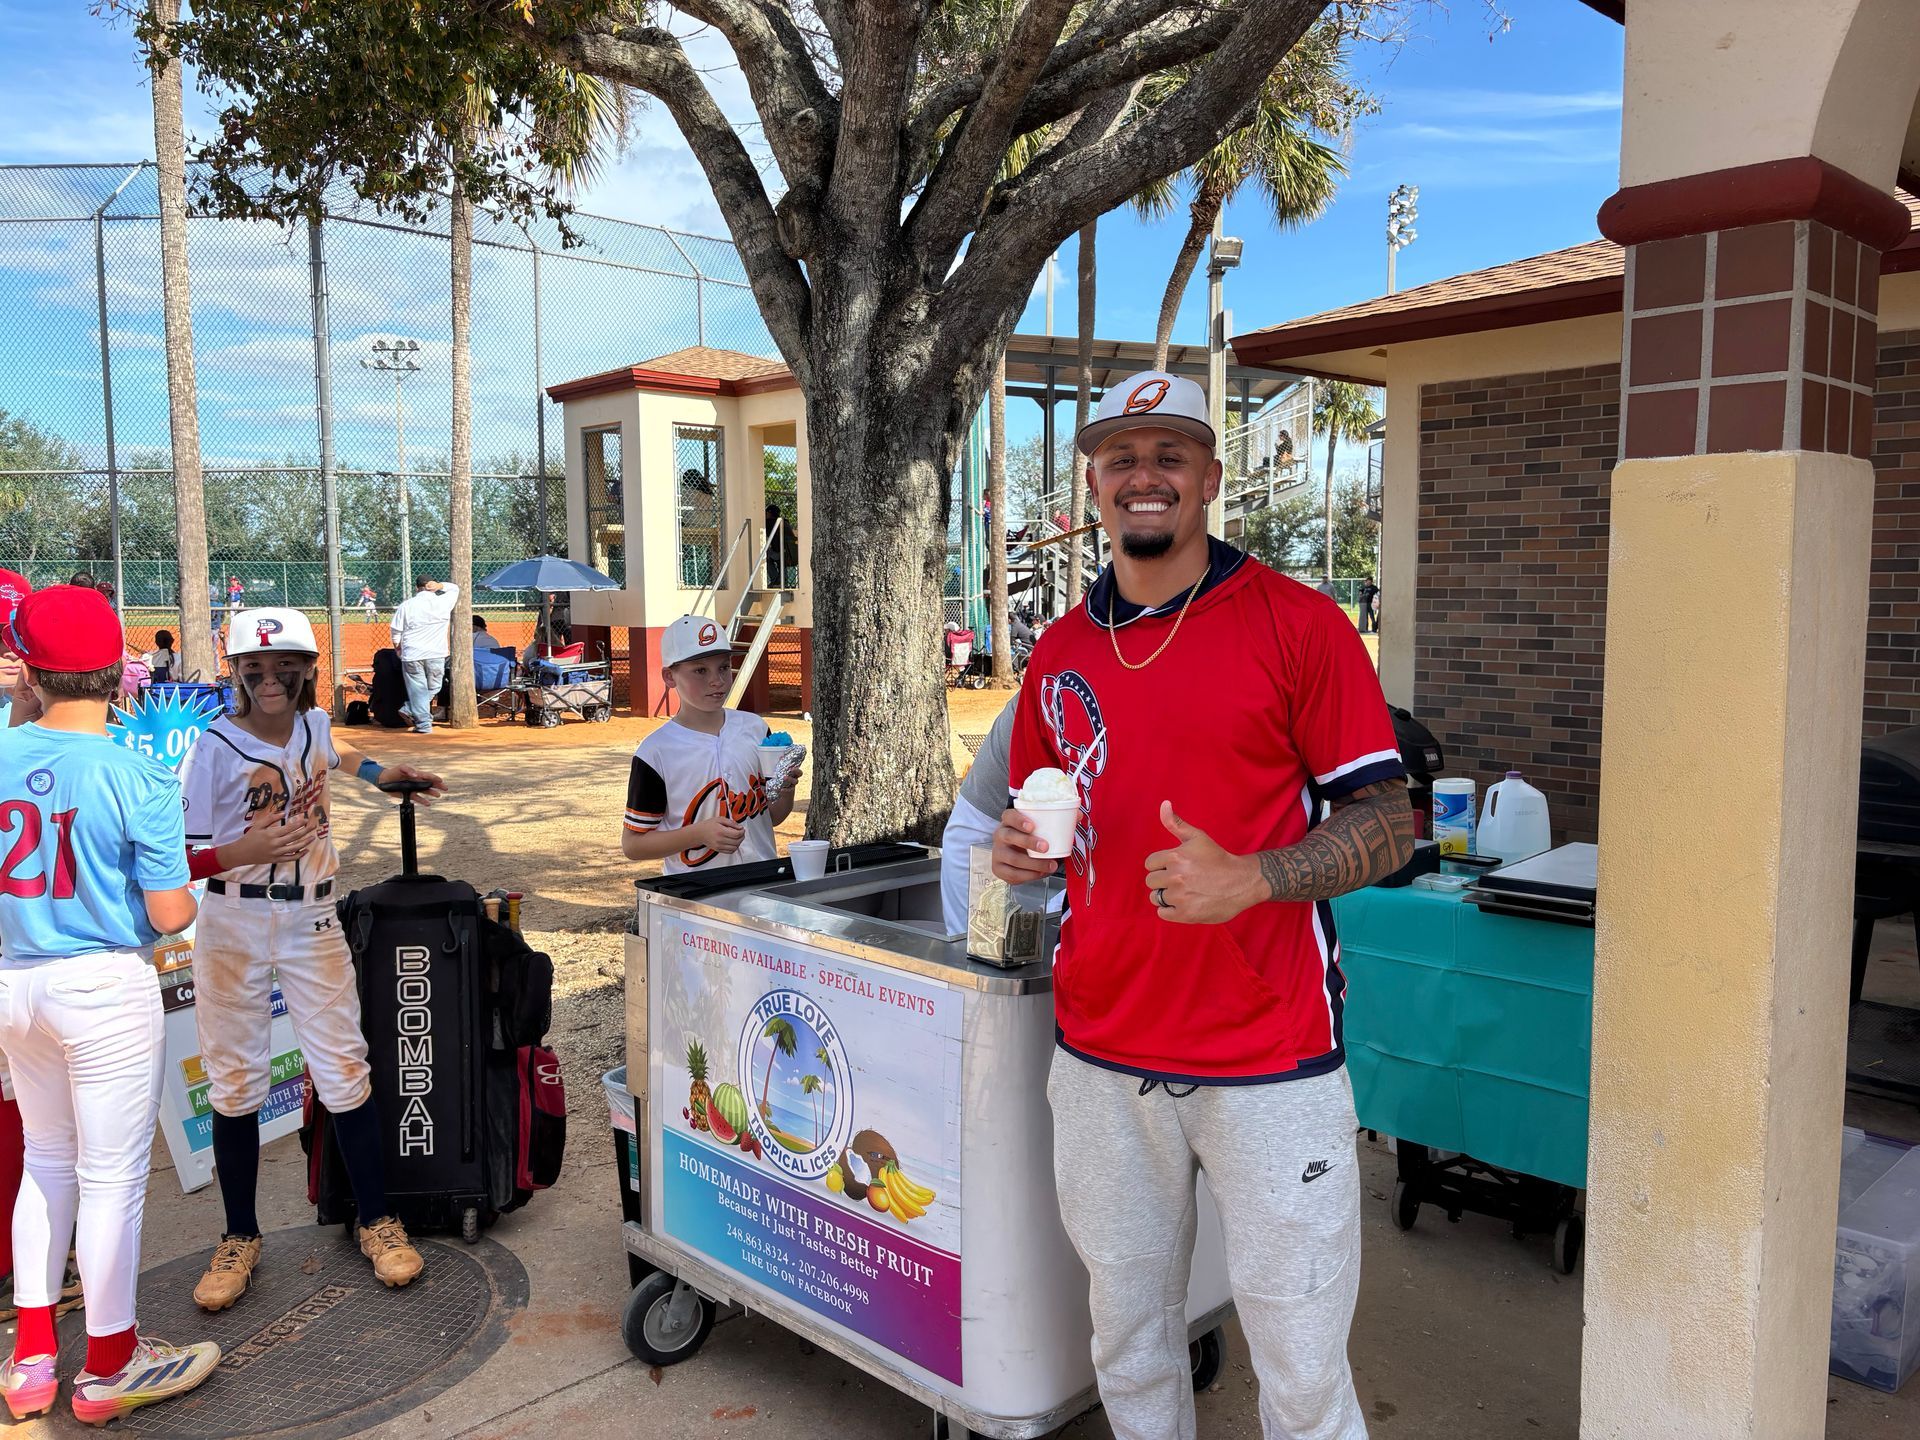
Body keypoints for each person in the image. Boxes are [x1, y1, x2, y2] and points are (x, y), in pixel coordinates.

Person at [992, 371, 1413, 1440]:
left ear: (1210, 479)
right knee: (1128, 1343)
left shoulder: (1298, 624)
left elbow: (1390, 820)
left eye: (1170, 455)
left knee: (1302, 1366)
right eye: (1123, 457)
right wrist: (1020, 852)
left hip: (1271, 1060)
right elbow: (1054, 820)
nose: (1145, 476)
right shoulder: (1061, 651)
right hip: (1101, 1056)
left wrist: (1256, 877)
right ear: (1093, 483)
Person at [179, 608, 444, 1313]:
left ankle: (376, 1219)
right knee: (235, 1081)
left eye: (287, 665)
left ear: (308, 669)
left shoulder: (312, 723)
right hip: (233, 913)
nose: (273, 678)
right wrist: (245, 851)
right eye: (256, 667)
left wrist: (385, 773)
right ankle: (240, 1235)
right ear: (234, 672)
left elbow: (338, 750)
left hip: (313, 914)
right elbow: (181, 854)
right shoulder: (214, 745)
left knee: (342, 1066)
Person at [0, 585, 221, 1424]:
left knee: (46, 1164)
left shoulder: (3, 750)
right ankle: (109, 1365)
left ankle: (30, 1363)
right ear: (115, 675)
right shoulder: (135, 772)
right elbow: (170, 916)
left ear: (35, 674)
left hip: (16, 980)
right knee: (111, 1178)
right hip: (100, 985)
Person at [619, 615, 803, 874]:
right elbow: (633, 845)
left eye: (723, 667)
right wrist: (698, 834)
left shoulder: (755, 728)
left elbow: (770, 818)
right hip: (696, 895)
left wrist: (784, 790)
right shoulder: (656, 751)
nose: (716, 680)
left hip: (763, 881)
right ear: (669, 676)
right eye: (700, 670)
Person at [388, 577, 460, 733]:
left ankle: (415, 714)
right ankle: (421, 721)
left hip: (413, 653)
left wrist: (398, 648)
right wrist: (440, 585)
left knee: (418, 688)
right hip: (436, 653)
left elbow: (396, 631)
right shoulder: (443, 602)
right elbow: (455, 588)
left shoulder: (407, 605)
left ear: (416, 588)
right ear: (431, 586)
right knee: (435, 686)